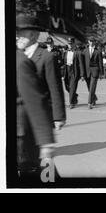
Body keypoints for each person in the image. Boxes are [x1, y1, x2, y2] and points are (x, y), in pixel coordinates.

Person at [16, 14, 66, 129]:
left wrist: (58, 117)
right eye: (17, 33)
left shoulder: (47, 57)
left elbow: (55, 88)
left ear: (34, 34)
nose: (18, 36)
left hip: (39, 116)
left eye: (22, 32)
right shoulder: (16, 55)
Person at [16, 49, 56, 179]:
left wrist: (46, 142)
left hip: (23, 133)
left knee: (38, 172)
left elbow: (34, 101)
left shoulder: (20, 61)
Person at [82, 37, 104, 109]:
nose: (91, 42)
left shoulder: (98, 51)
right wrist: (82, 74)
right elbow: (82, 63)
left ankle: (89, 102)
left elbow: (100, 63)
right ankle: (94, 98)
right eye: (90, 41)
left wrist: (101, 73)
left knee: (92, 87)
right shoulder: (84, 51)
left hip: (95, 71)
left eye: (93, 41)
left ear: (95, 42)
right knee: (89, 87)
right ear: (88, 42)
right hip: (87, 71)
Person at [63, 37, 85, 108]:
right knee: (67, 87)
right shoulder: (65, 52)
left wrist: (82, 75)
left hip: (74, 71)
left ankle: (71, 103)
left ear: (74, 44)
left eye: (71, 43)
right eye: (69, 43)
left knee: (72, 87)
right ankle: (74, 95)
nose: (70, 45)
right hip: (67, 71)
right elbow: (64, 63)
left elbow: (81, 64)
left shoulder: (78, 52)